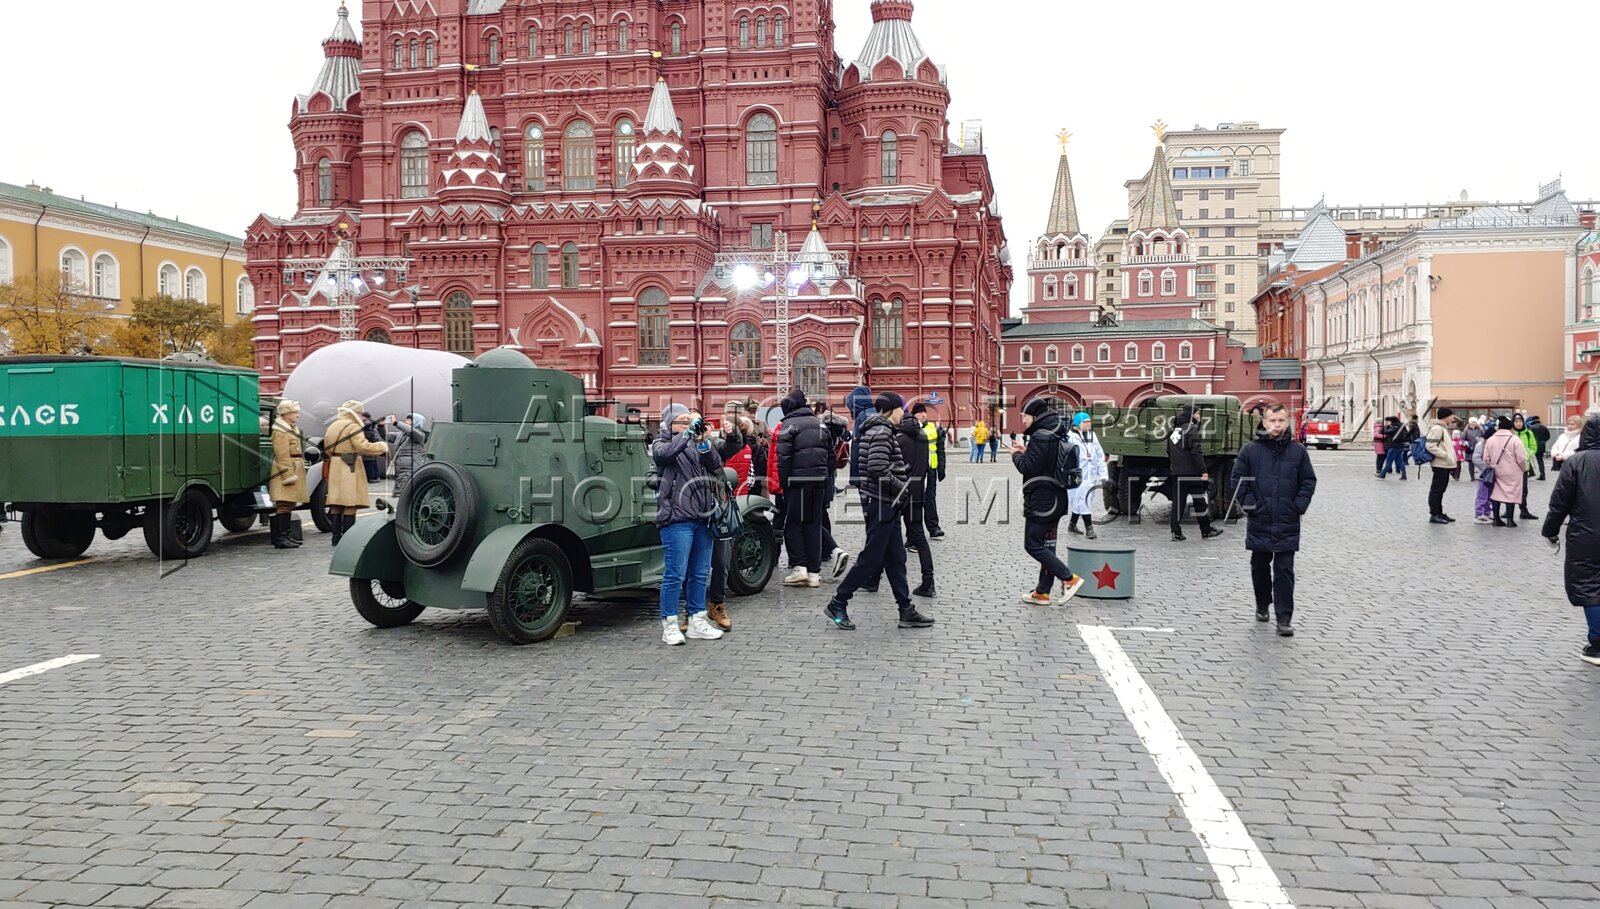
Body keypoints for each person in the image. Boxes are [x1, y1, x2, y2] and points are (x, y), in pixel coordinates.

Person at [823, 392, 934, 631]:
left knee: (896, 559)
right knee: (870, 559)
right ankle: (838, 601)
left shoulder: (878, 430)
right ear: (892, 409)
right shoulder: (882, 432)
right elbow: (877, 469)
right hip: (882, 503)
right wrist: (902, 489)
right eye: (901, 409)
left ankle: (906, 610)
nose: (903, 413)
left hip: (885, 503)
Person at [1229, 403, 1317, 637]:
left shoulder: (1298, 451)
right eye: (1272, 421)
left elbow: (1308, 481)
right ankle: (1262, 602)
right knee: (1259, 566)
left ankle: (1284, 618)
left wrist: (1298, 506)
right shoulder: (1250, 450)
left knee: (1284, 569)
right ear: (1264, 422)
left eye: (1281, 420)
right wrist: (1250, 505)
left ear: (1287, 421)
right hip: (1260, 518)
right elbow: (1238, 478)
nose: (1277, 425)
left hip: (1287, 519)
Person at [652, 404, 724, 646]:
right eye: (682, 422)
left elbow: (716, 466)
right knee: (675, 573)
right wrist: (686, 434)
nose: (687, 425)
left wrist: (705, 442)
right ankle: (669, 623)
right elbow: (666, 455)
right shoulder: (660, 444)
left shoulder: (695, 444)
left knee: (700, 573)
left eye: (689, 421)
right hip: (676, 518)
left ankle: (697, 620)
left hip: (702, 516)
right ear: (669, 425)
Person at [1010, 400, 1086, 605]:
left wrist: (1016, 455)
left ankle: (1070, 579)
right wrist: (1027, 451)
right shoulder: (1054, 432)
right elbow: (1046, 462)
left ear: (1034, 416)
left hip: (1041, 500)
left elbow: (1029, 468)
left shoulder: (1040, 436)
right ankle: (1042, 592)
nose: (1023, 419)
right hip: (1057, 497)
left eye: (1024, 415)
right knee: (1048, 545)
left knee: (1033, 545)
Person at [1541, 413, 1600, 666]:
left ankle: (1597, 644)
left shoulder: (1576, 462)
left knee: (1589, 586)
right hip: (1586, 532)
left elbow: (1560, 502)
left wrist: (1550, 530)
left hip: (1586, 534)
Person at [776, 389, 832, 588]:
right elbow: (830, 457)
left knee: (793, 525)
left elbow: (783, 459)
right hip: (818, 481)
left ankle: (799, 567)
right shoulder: (820, 423)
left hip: (797, 482)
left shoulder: (788, 425)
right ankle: (814, 573)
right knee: (813, 524)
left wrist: (784, 484)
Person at [701, 411, 748, 633]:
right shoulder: (675, 445)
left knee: (721, 561)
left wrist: (732, 433)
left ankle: (717, 605)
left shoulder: (711, 443)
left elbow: (731, 447)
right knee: (692, 565)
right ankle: (692, 613)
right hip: (690, 510)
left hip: (716, 510)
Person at [323, 400, 390, 545]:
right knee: (350, 502)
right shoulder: (352, 426)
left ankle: (336, 537)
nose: (360, 416)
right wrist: (381, 447)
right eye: (359, 413)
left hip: (335, 465)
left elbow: (327, 448)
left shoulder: (333, 426)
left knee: (337, 502)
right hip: (350, 465)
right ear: (355, 413)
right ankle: (348, 538)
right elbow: (362, 446)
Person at [895, 398, 937, 598]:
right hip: (917, 493)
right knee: (919, 538)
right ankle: (928, 581)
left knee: (886, 535)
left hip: (898, 493)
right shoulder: (922, 436)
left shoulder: (899, 439)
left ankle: (873, 579)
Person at [1167, 405, 1223, 542]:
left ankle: (1176, 531)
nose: (1199, 416)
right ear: (1192, 415)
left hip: (1177, 473)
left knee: (1178, 503)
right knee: (1199, 503)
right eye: (1198, 413)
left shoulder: (1174, 430)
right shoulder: (1191, 429)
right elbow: (1196, 452)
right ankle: (1206, 530)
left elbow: (1169, 451)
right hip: (1192, 473)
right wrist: (1203, 470)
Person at [268, 399, 308, 550]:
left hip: (293, 466)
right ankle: (281, 537)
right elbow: (282, 454)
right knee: (284, 504)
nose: (297, 415)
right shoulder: (281, 431)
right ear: (286, 414)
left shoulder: (290, 428)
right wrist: (287, 475)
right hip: (286, 469)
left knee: (289, 503)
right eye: (295, 412)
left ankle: (286, 535)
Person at [1066, 412, 1107, 540]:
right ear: (1078, 423)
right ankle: (1089, 528)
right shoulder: (1070, 437)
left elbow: (1100, 455)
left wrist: (1103, 474)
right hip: (1077, 475)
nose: (1089, 424)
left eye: (1089, 421)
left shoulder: (1092, 436)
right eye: (1085, 422)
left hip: (1091, 474)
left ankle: (1072, 524)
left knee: (1083, 500)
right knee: (1084, 499)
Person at [1483, 416, 1528, 527]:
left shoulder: (1491, 440)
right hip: (1513, 471)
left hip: (1496, 470)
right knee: (1511, 494)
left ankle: (1496, 519)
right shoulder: (1515, 440)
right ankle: (1510, 520)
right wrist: (1523, 468)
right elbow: (1521, 458)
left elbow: (1485, 458)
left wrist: (1491, 465)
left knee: (1496, 494)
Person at [913, 404, 946, 539]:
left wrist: (941, 468)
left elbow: (940, 450)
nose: (923, 415)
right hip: (916, 471)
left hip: (931, 470)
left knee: (930, 499)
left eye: (924, 412)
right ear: (914, 415)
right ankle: (915, 530)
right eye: (920, 413)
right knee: (914, 501)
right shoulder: (911, 429)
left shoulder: (934, 428)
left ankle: (934, 528)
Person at [1423, 408, 1460, 524]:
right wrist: (1444, 455)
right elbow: (1430, 445)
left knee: (1440, 490)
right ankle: (1434, 514)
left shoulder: (1443, 428)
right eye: (1451, 416)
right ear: (1446, 416)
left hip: (1445, 464)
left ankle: (1439, 513)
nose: (1453, 418)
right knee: (1436, 490)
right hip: (1440, 464)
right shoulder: (1437, 428)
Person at [387, 413, 429, 501]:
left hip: (411, 467)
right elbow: (387, 436)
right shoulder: (401, 434)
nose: (406, 421)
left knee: (409, 491)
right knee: (403, 492)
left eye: (409, 420)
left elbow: (411, 431)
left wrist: (396, 423)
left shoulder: (420, 434)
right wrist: (379, 427)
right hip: (402, 468)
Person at [1514, 414, 1540, 520]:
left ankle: (1523, 510)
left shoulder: (1529, 433)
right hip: (1511, 466)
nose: (1518, 423)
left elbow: (1533, 447)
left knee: (1524, 489)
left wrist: (1527, 455)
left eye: (1520, 421)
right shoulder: (1511, 434)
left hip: (1524, 465)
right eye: (1516, 421)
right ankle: (1508, 510)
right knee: (1510, 489)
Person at [360, 411, 383, 484]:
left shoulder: (366, 424)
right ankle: (376, 476)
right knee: (373, 462)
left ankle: (372, 477)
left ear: (364, 417)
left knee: (369, 463)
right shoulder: (372, 423)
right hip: (374, 444)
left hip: (369, 445)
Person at [1530, 415, 1551, 480]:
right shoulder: (1544, 427)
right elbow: (1548, 436)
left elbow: (1530, 437)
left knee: (1527, 459)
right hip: (1542, 445)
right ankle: (1542, 474)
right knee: (1540, 460)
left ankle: (1531, 472)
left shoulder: (1531, 427)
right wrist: (1543, 441)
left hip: (1533, 446)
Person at [1463, 417, 1485, 482]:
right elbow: (1463, 438)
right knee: (1471, 463)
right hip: (1470, 448)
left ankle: (1479, 475)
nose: (1474, 423)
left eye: (1475, 422)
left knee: (1479, 461)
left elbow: (1484, 436)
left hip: (1478, 447)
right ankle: (1472, 477)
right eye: (1472, 422)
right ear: (1470, 423)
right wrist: (1466, 443)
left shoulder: (1480, 429)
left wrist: (1481, 439)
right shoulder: (1466, 430)